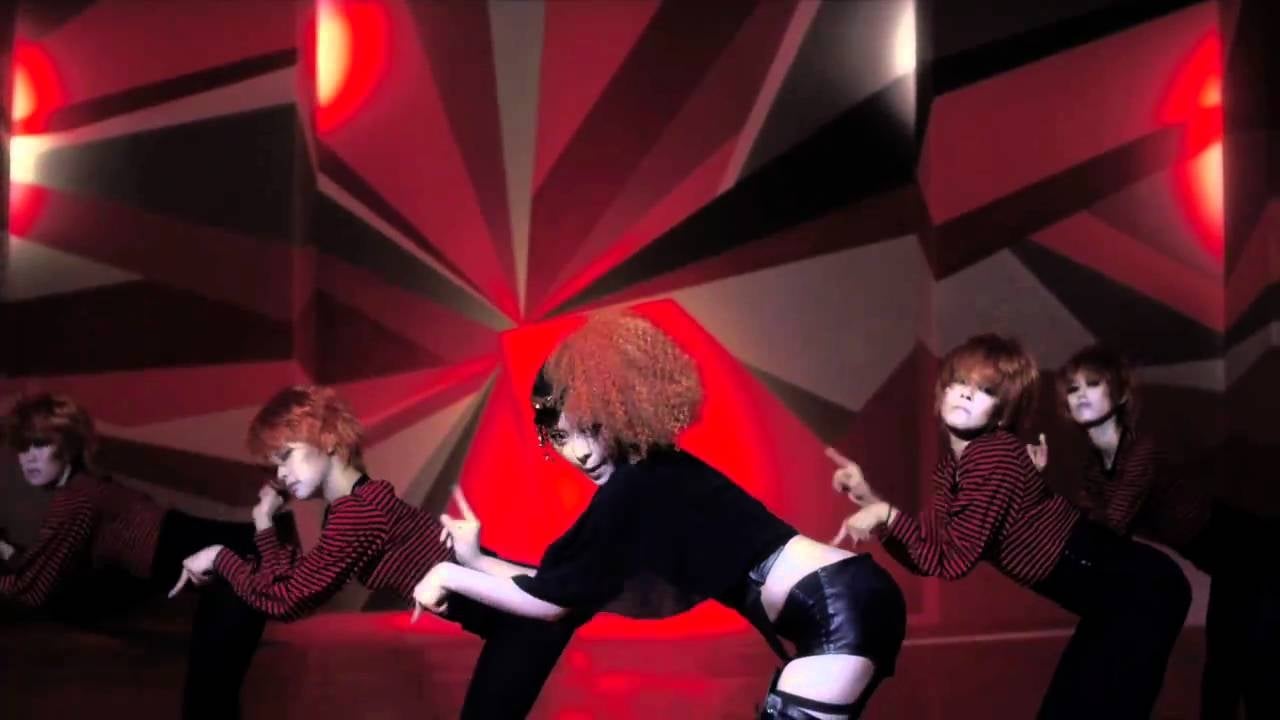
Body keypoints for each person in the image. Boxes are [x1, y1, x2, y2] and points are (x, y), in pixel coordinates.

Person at [412, 311, 907, 719]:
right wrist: (475, 561)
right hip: (845, 600)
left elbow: (551, 604)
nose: (580, 453)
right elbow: (559, 588)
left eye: (590, 428)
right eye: (561, 437)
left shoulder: (637, 486)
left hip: (836, 608)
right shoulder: (649, 478)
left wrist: (450, 575)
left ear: (620, 410)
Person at [170, 385, 592, 718]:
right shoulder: (355, 506)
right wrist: (264, 523)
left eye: (286, 456)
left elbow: (286, 600)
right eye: (273, 464)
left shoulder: (358, 514)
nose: (280, 474)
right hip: (513, 620)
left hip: (522, 621)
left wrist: (219, 557)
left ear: (327, 439)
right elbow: (283, 586)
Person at [832, 334, 1190, 719]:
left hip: (1141, 592)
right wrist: (870, 499)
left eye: (986, 390)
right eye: (960, 382)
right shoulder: (952, 469)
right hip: (1114, 598)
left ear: (1002, 414)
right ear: (941, 394)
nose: (967, 393)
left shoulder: (995, 456)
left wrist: (886, 514)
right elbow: (929, 553)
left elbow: (953, 561)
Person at [1033, 344, 1280, 718]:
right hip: (1229, 563)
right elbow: (1085, 534)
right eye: (1072, 388)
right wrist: (1037, 484)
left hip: (1256, 549)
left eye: (1093, 384)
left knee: (1251, 661)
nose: (1080, 393)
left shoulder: (1140, 452)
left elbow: (1109, 527)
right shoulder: (1093, 469)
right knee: (1225, 663)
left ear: (1120, 395)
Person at [1, 392, 272, 719]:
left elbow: (33, 589)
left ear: (69, 446)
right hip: (233, 565)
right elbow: (44, 564)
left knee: (207, 703)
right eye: (22, 447)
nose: (28, 458)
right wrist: (6, 551)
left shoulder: (77, 499)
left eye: (40, 444)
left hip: (238, 565)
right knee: (209, 702)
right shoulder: (91, 487)